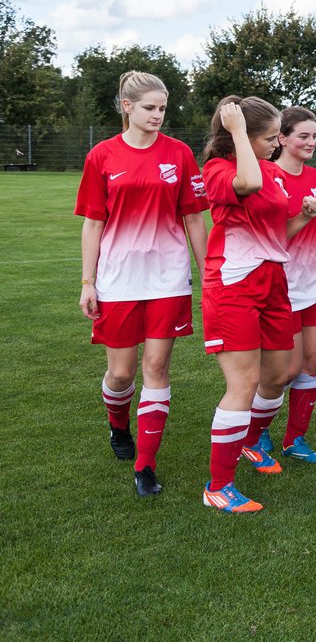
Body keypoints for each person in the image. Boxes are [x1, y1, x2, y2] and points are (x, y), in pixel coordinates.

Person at [75, 71, 209, 497]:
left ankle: (145, 466)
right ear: (127, 107)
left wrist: (207, 273)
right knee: (121, 373)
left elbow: (193, 217)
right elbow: (93, 224)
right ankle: (118, 424)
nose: (157, 115)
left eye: (163, 108)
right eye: (150, 108)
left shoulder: (180, 153)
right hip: (117, 281)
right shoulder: (102, 156)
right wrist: (87, 281)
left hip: (168, 278)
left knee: (156, 368)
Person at [201, 97, 316, 513]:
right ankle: (218, 486)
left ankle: (251, 440)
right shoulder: (218, 170)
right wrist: (236, 132)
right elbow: (246, 184)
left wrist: (303, 217)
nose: (276, 144)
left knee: (280, 374)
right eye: (269, 137)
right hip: (233, 285)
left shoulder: (271, 171)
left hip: (273, 282)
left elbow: (276, 233)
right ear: (245, 137)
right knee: (243, 383)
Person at [264, 106, 316, 464]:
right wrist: (301, 215)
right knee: (285, 371)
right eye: (303, 136)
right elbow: (269, 235)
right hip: (283, 285)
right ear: (282, 138)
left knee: (309, 364)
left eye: (314, 135)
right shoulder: (267, 177)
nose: (312, 142)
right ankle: (256, 432)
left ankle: (296, 439)